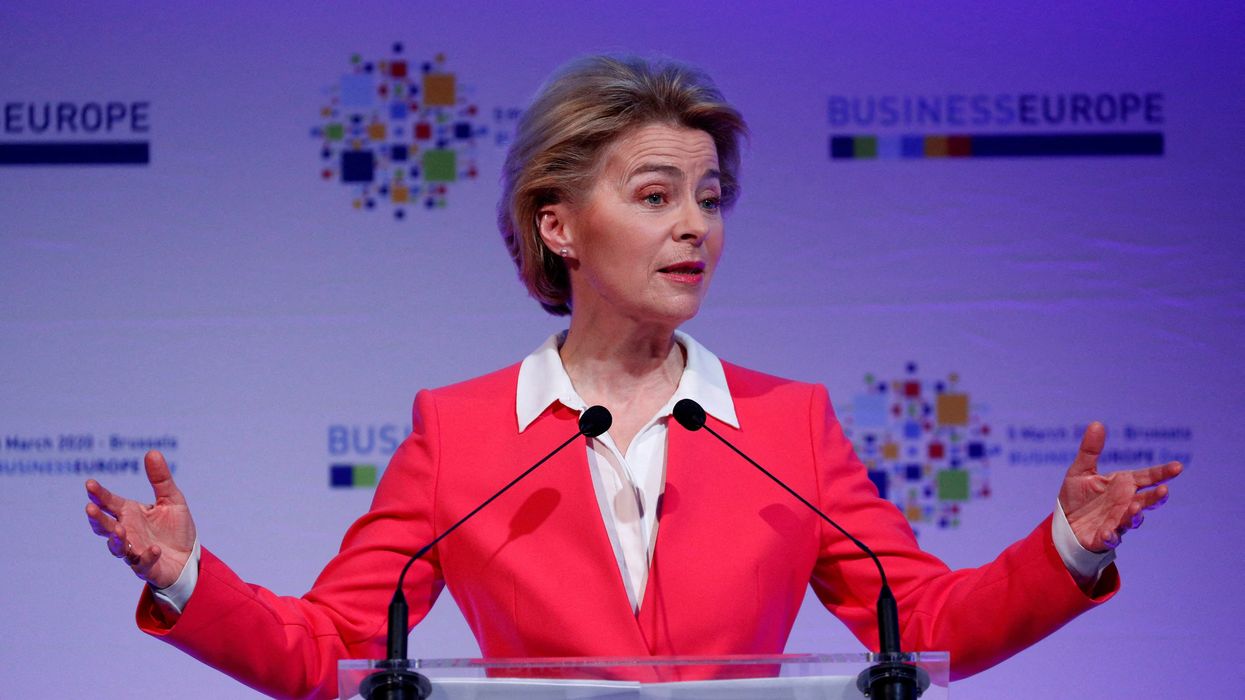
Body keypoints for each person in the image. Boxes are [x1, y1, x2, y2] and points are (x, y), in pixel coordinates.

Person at [84, 55, 1181, 699]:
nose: (695, 226)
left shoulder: (784, 423)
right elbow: (328, 650)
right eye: (656, 196)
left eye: (709, 197)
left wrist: (1069, 548)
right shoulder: (460, 432)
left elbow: (928, 617)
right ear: (557, 225)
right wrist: (189, 575)